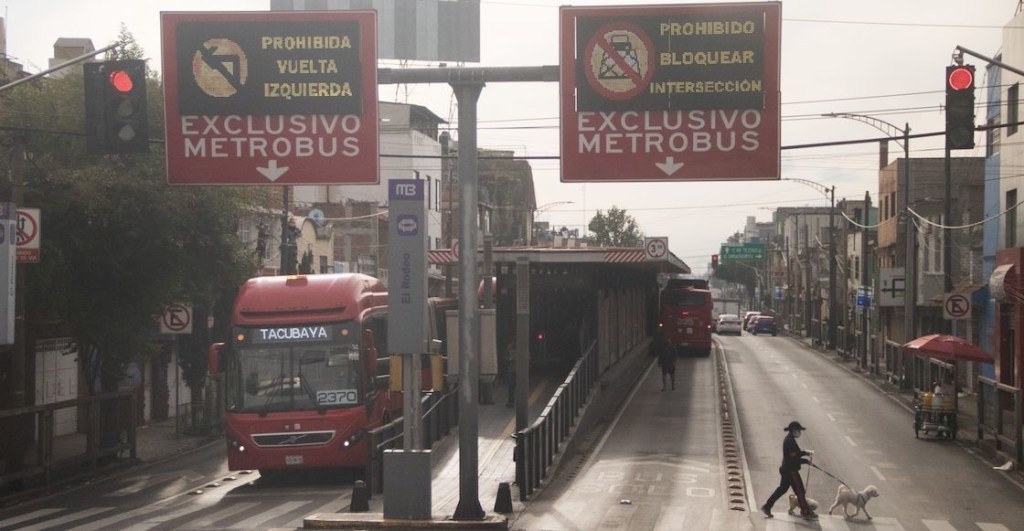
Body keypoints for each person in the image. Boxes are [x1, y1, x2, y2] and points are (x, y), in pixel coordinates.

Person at [762, 421, 817, 520]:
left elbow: (793, 457)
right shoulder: (789, 441)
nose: (800, 432)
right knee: (800, 491)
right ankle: (805, 512)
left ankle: (767, 506)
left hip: (786, 468)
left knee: (782, 489)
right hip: (791, 471)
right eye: (799, 430)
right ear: (793, 430)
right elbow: (793, 455)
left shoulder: (790, 439)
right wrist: (805, 453)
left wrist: (806, 461)